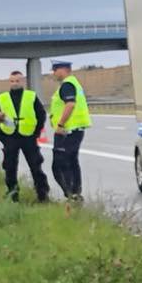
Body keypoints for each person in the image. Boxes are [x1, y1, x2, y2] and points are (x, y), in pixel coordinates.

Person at [0, 69, 51, 203]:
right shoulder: (2, 98)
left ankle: (42, 195)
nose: (14, 83)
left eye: (17, 81)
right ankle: (13, 194)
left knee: (36, 166)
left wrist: (36, 132)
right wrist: (2, 136)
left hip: (28, 137)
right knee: (9, 167)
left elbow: (41, 115)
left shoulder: (31, 96)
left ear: (23, 81)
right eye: (12, 81)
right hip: (10, 137)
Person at [48, 59, 92, 201]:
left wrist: (60, 124)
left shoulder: (67, 85)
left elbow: (70, 105)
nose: (53, 73)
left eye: (55, 70)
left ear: (63, 70)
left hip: (67, 130)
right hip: (74, 129)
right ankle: (75, 193)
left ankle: (71, 193)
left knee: (61, 162)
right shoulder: (73, 83)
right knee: (71, 161)